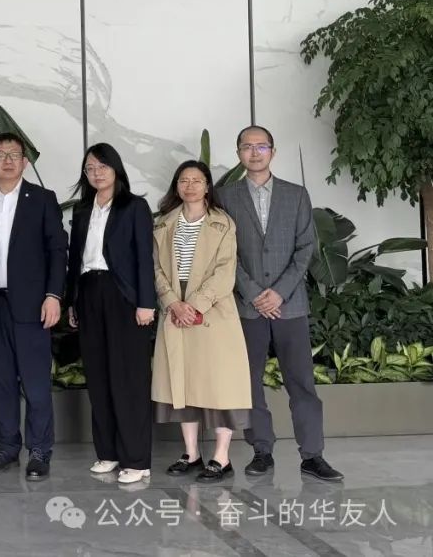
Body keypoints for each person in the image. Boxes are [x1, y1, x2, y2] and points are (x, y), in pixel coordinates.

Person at [217, 126, 343, 482]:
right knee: (249, 383)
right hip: (248, 306)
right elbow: (223, 252)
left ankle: (313, 456)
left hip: (290, 305)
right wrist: (254, 292)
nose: (255, 152)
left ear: (273, 151)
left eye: (262, 146)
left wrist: (279, 292)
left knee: (301, 382)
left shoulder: (296, 194)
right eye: (247, 147)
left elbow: (305, 248)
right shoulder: (224, 197)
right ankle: (261, 451)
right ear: (238, 153)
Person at [0, 132, 66, 482]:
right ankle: (8, 446)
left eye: (14, 155)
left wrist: (53, 295)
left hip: (33, 305)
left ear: (25, 162)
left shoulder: (42, 199)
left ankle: (39, 451)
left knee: (36, 384)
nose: (8, 160)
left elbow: (57, 250)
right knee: (0, 383)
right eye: (1, 155)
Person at [151, 160, 250, 483]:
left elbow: (225, 272)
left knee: (219, 386)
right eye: (184, 180)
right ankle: (191, 453)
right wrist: (172, 303)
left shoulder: (222, 223)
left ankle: (221, 457)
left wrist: (193, 306)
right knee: (183, 384)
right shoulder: (164, 224)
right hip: (174, 312)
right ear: (176, 186)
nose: (190, 186)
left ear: (207, 186)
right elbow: (156, 270)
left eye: (196, 180)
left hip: (211, 313)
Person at [65, 142, 155, 485]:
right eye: (90, 168)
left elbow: (144, 257)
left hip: (123, 296)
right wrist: (73, 301)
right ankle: (108, 452)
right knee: (99, 375)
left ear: (116, 168)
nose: (96, 173)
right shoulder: (82, 210)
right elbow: (75, 260)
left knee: (128, 378)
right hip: (89, 292)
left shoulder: (134, 207)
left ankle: (137, 459)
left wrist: (146, 303)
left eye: (102, 166)